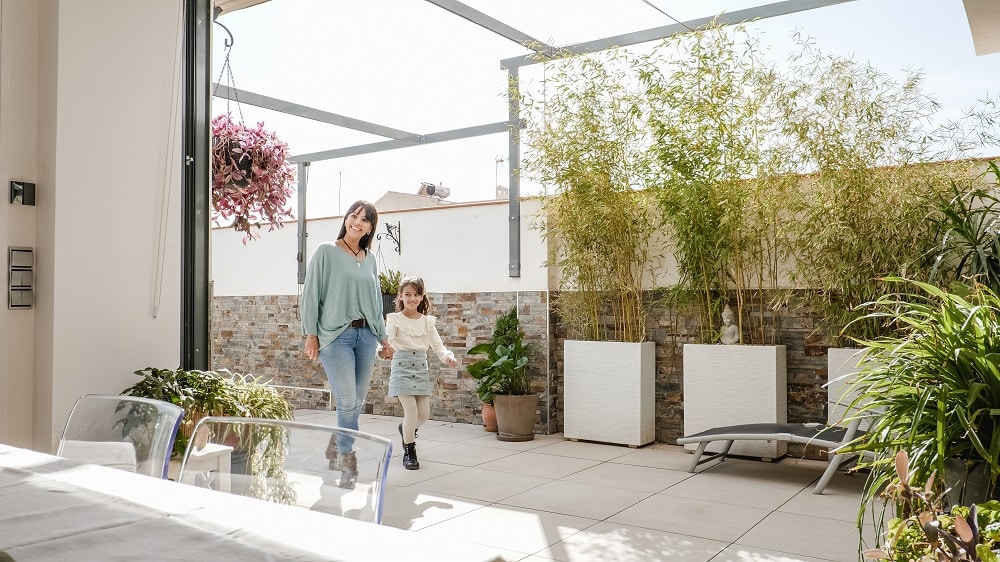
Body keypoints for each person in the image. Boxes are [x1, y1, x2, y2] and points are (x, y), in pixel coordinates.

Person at [301, 200, 394, 489]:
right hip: (335, 337)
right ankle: (346, 458)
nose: (358, 222)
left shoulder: (369, 258)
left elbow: (374, 301)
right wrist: (311, 334)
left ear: (370, 228)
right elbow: (311, 293)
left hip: (366, 337)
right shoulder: (326, 252)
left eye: (366, 220)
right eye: (355, 215)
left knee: (356, 402)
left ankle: (336, 441)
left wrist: (382, 337)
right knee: (347, 400)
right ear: (346, 219)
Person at [384, 276, 458, 470]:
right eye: (408, 294)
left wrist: (448, 356)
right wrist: (384, 351)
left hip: (421, 367)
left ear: (422, 296)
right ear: (400, 296)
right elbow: (388, 341)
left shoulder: (427, 322)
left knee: (423, 415)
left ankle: (405, 430)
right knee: (411, 411)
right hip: (402, 366)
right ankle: (409, 451)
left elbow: (438, 346)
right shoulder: (395, 319)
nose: (412, 298)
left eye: (416, 294)